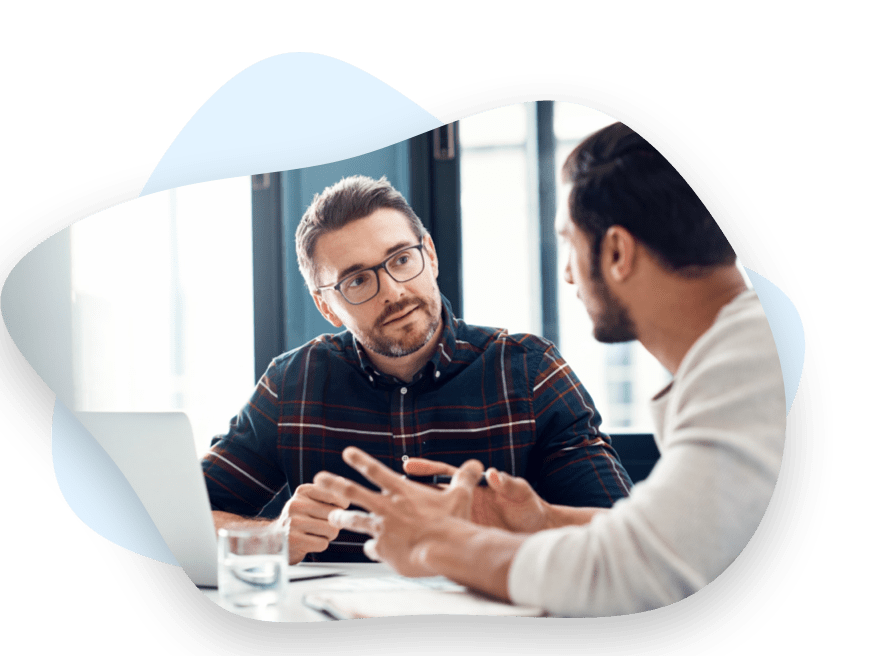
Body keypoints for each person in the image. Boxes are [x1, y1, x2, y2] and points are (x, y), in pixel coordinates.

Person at [321, 122, 787, 615]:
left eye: (569, 242)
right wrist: (542, 519)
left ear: (616, 253)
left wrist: (435, 542)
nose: (566, 273)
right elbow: (677, 539)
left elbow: (633, 573)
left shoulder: (750, 364)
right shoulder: (749, 349)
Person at [202, 175, 632, 564]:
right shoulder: (291, 385)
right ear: (325, 306)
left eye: (402, 259)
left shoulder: (531, 371)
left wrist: (519, 520)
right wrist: (269, 538)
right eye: (357, 280)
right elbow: (184, 518)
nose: (392, 291)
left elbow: (625, 538)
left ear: (430, 255)